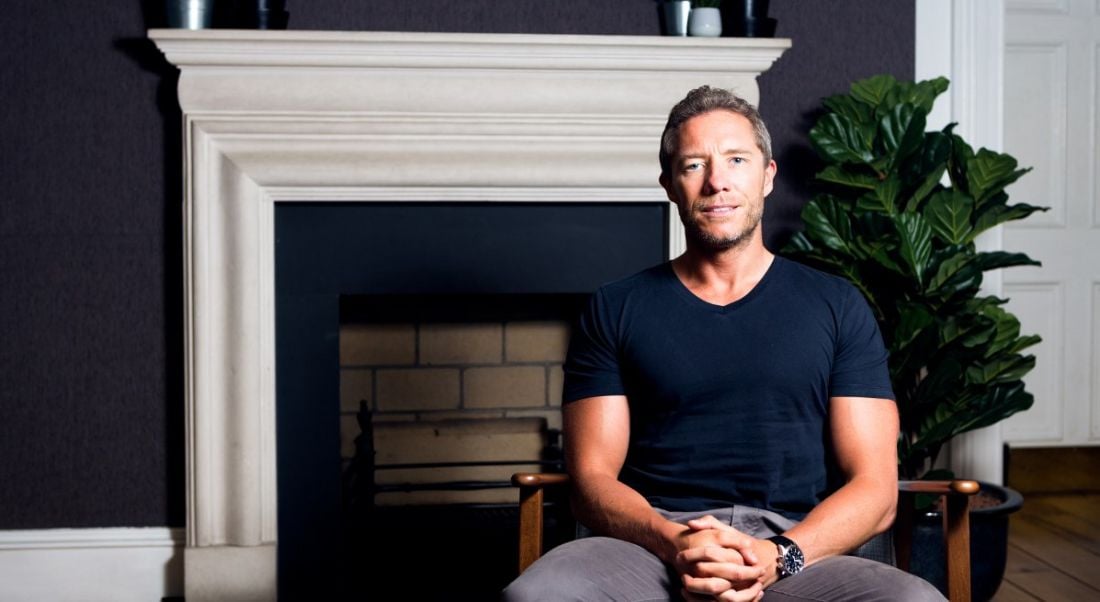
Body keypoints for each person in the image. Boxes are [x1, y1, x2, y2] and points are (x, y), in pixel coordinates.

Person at [500, 86, 945, 601]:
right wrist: (677, 545)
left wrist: (778, 556)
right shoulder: (615, 307)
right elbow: (592, 478)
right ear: (669, 184)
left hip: (799, 551)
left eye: (736, 159)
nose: (717, 182)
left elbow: (875, 488)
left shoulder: (837, 305)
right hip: (651, 547)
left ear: (767, 175)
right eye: (694, 165)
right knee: (536, 595)